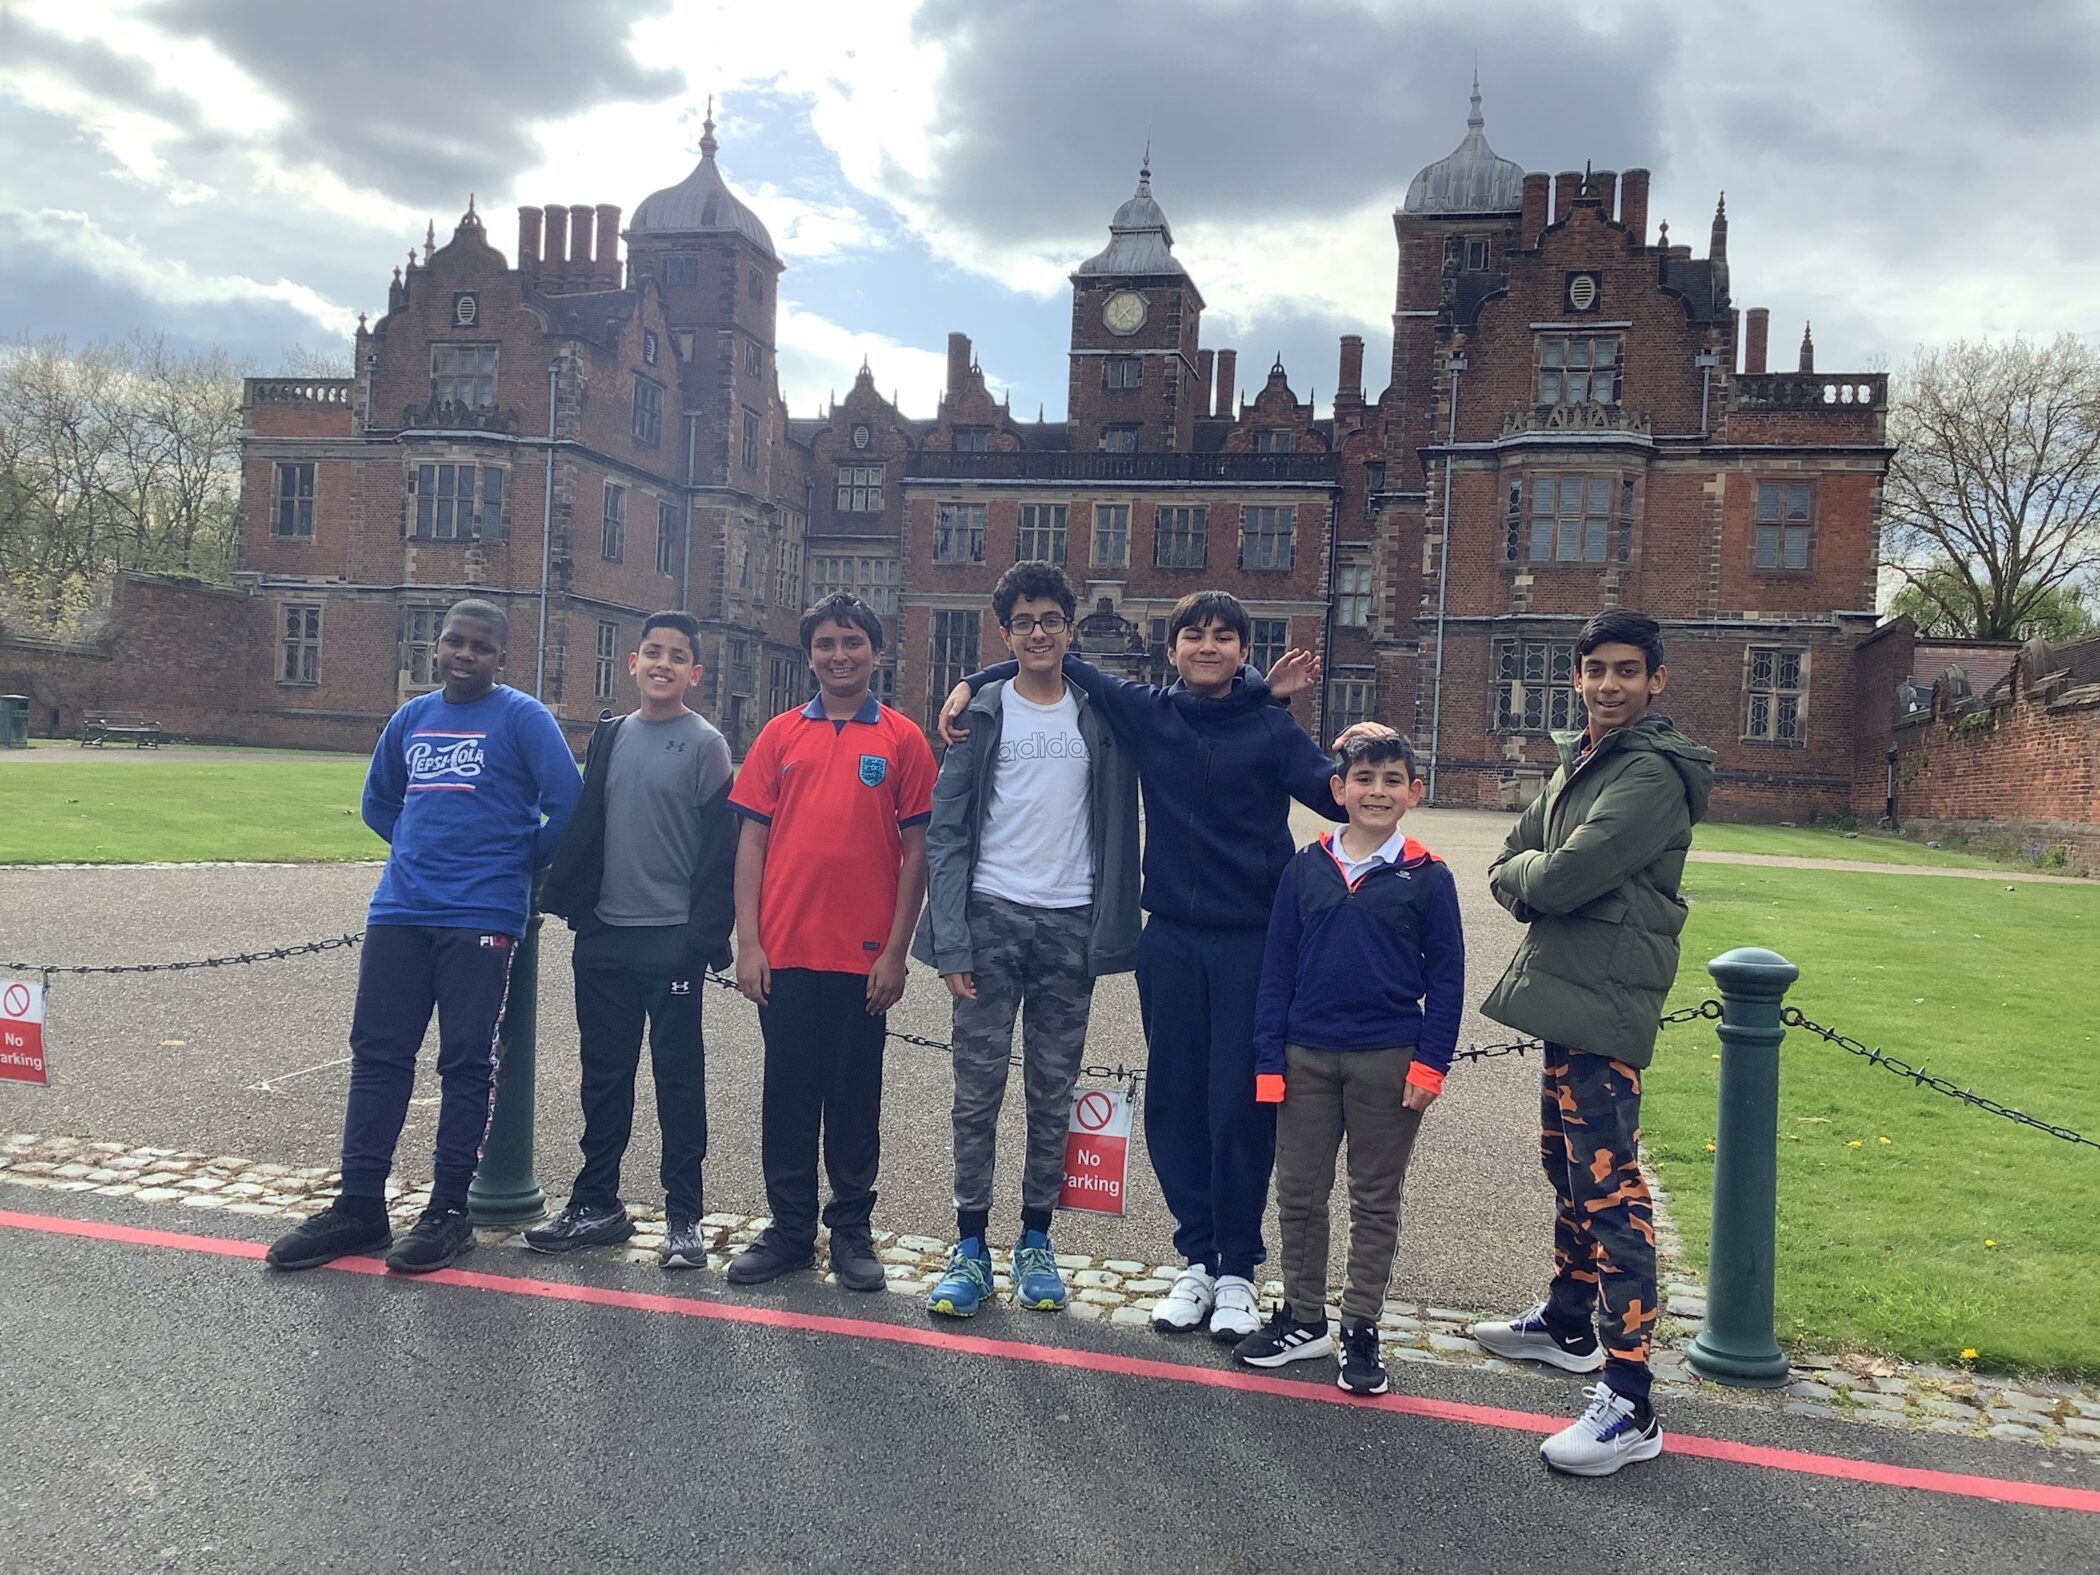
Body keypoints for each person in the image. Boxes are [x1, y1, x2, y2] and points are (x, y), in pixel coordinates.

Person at [939, 590, 1378, 1343]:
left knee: (1238, 1103)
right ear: (1170, 651)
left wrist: (1365, 750)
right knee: (1175, 1103)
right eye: (1193, 635)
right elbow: (1050, 656)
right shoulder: (1148, 711)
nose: (1208, 646)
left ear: (1244, 652)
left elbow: (1340, 800)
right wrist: (971, 682)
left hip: (1249, 942)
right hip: (1169, 938)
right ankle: (1197, 1258)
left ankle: (1238, 1268)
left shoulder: (1271, 726)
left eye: (1224, 636)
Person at [1469, 609, 1715, 1477]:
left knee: (1610, 1190)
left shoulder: (1648, 771)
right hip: (1571, 987)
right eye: (1596, 669)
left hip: (1606, 994)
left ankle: (1630, 1396)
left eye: (1626, 669)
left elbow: (1563, 871)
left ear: (1657, 679)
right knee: (1566, 1165)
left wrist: (1537, 877)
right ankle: (1570, 1323)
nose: (1609, 684)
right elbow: (1513, 854)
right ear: (1576, 677)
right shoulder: (1585, 758)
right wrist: (1535, 875)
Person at [266, 598, 580, 1274]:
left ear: (501, 658)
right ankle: (359, 1205)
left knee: (465, 1062)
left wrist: (515, 858)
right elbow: (378, 801)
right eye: (454, 642)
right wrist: (418, 848)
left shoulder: (522, 717)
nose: (465, 655)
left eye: (480, 647)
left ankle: (447, 1211)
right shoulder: (412, 717)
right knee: (378, 1055)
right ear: (436, 645)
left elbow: (570, 804)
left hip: (482, 914)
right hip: (401, 909)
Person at [910, 562, 1140, 1318]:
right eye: (1023, 622)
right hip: (991, 917)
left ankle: (1035, 1239)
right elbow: (947, 833)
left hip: (1071, 922)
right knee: (975, 1094)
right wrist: (950, 941)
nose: (1038, 633)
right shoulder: (981, 712)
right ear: (1004, 632)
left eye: (1050, 620)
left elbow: (1189, 703)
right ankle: (970, 1244)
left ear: (1070, 628)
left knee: (1052, 1092)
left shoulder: (1101, 714)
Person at [1236, 733, 1463, 1397]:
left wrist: (1429, 1067)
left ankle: (1361, 1324)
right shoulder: (1306, 867)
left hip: (1387, 1059)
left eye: (1392, 779)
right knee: (1300, 1194)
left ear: (1413, 792)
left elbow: (1447, 980)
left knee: (1375, 1198)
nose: (1376, 791)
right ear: (1339, 789)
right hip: (1305, 1055)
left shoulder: (1429, 875)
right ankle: (1303, 1316)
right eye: (1364, 777)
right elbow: (1276, 968)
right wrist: (1269, 1058)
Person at [726, 593, 934, 1292]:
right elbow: (751, 842)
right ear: (808, 654)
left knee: (853, 1101)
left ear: (876, 652)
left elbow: (917, 852)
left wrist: (896, 952)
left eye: (852, 642)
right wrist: (749, 941)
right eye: (825, 644)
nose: (839, 655)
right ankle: (790, 1230)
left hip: (862, 958)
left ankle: (850, 1230)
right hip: (784, 952)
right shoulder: (779, 735)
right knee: (787, 1098)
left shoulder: (903, 740)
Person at [529, 611, 734, 1270]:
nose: (662, 664)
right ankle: (596, 1203)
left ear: (694, 673)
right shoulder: (611, 735)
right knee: (604, 1078)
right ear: (633, 662)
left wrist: (700, 940)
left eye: (676, 656)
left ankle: (683, 1215)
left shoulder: (706, 744)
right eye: (653, 652)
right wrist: (579, 912)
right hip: (606, 936)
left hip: (670, 938)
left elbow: (720, 854)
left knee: (678, 1082)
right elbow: (588, 826)